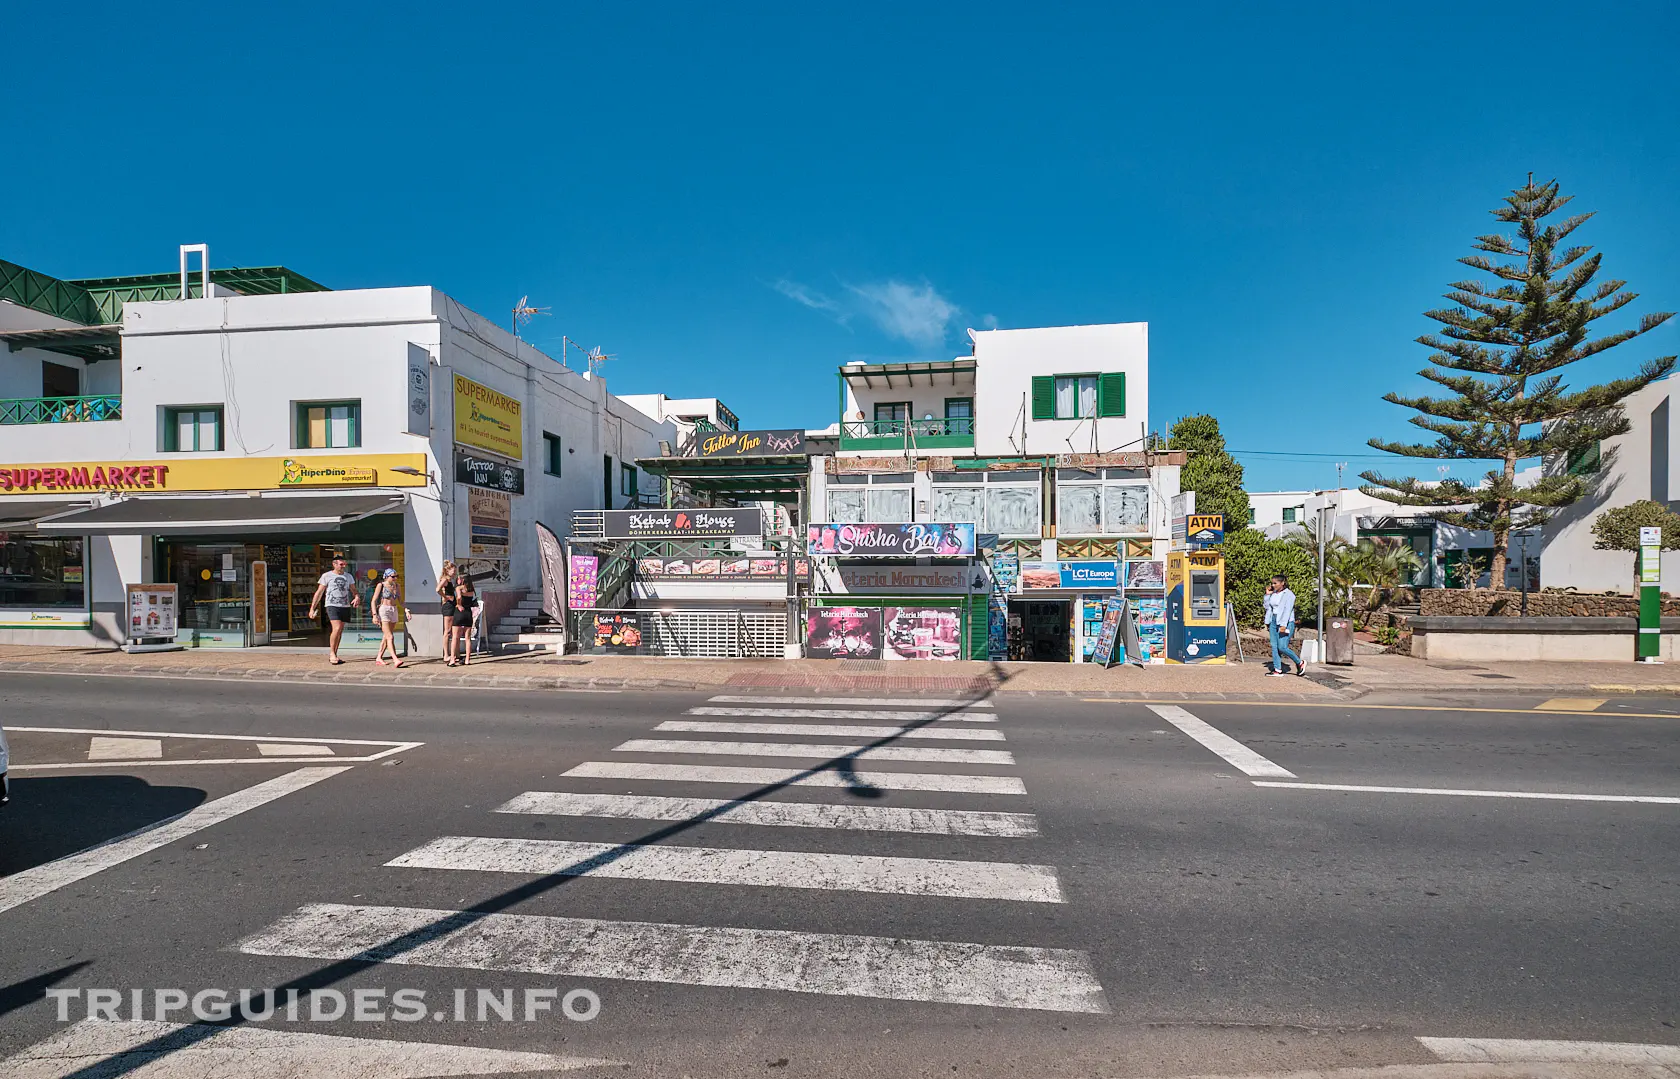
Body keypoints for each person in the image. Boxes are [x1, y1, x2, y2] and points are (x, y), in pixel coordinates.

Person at [307, 552, 360, 665]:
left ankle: (335, 653)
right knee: (336, 628)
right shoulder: (327, 576)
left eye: (344, 564)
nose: (343, 566)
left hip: (344, 605)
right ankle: (332, 653)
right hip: (332, 605)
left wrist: (356, 597)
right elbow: (319, 592)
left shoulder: (348, 576)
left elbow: (354, 590)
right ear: (334, 564)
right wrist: (312, 608)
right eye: (341, 564)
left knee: (340, 630)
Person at [1265, 573, 1305, 677]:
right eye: (1272, 583)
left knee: (1282, 647)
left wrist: (1283, 625)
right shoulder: (1273, 594)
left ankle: (1299, 662)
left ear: (1282, 583)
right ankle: (1277, 669)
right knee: (1274, 646)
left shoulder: (1289, 595)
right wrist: (1267, 595)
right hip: (1273, 621)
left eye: (1275, 583)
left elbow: (1287, 610)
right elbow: (1267, 607)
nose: (1273, 585)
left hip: (1286, 622)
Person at [372, 568, 409, 668]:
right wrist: (374, 615)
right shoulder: (381, 585)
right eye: (393, 577)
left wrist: (406, 610)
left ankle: (379, 657)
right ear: (387, 576)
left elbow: (400, 601)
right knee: (390, 637)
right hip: (384, 609)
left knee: (386, 636)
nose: (395, 578)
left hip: (394, 609)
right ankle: (395, 659)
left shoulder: (397, 586)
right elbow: (374, 600)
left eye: (396, 576)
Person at [450, 574, 477, 666]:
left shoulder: (459, 588)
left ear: (462, 580)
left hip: (459, 613)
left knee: (455, 637)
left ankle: (452, 660)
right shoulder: (471, 589)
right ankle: (467, 660)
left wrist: (458, 604)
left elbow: (459, 597)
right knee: (467, 638)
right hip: (468, 613)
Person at [436, 561, 458, 665]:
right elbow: (437, 589)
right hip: (448, 606)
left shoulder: (450, 580)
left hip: (452, 605)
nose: (454, 573)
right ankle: (446, 654)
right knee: (447, 631)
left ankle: (453, 653)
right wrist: (445, 597)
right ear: (447, 570)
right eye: (453, 571)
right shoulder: (444, 579)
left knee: (452, 630)